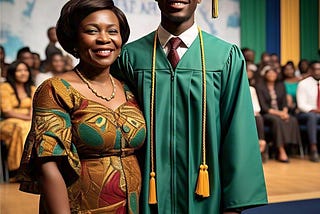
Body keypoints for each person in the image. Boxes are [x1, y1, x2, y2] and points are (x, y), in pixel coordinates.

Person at [113, 0, 268, 213]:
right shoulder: (129, 57)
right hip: (144, 197)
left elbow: (238, 133)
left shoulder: (226, 57)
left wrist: (234, 205)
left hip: (207, 197)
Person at [17, 0, 146, 213]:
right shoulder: (56, 89)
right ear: (74, 39)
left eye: (112, 31)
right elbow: (48, 165)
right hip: (83, 206)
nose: (104, 39)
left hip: (135, 204)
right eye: (92, 31)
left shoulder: (129, 89)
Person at [255, 65, 302, 163]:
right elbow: (264, 107)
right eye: (269, 73)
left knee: (292, 119)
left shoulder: (280, 85)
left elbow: (284, 102)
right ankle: (280, 150)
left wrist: (285, 112)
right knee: (277, 121)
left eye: (274, 73)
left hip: (281, 112)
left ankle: (290, 147)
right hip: (267, 114)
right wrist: (280, 114)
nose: (272, 74)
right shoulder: (259, 86)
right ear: (265, 74)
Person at [0, 61, 36, 180]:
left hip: (27, 121)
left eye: (25, 70)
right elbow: (7, 111)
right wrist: (28, 118)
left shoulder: (32, 88)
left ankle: (34, 168)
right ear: (13, 73)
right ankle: (18, 170)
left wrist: (30, 118)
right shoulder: (4, 87)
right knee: (22, 127)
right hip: (8, 122)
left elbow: (33, 109)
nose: (23, 73)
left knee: (32, 128)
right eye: (19, 70)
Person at [296, 60, 320, 162]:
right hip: (305, 113)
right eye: (316, 69)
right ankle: (313, 148)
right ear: (310, 70)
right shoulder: (303, 83)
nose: (318, 72)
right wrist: (314, 110)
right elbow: (301, 105)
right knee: (312, 117)